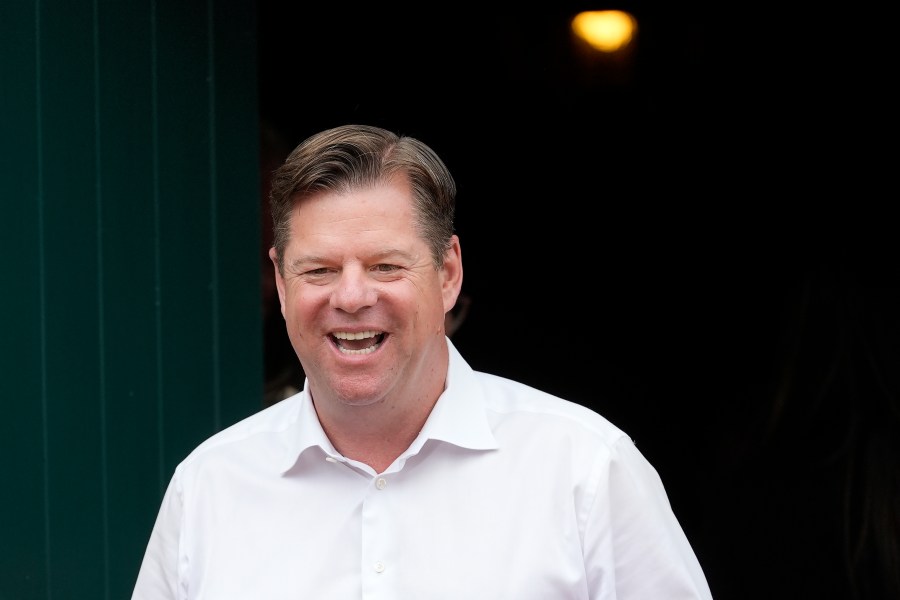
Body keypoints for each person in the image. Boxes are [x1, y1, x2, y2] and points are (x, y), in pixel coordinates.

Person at [132, 124, 714, 599]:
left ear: (449, 274)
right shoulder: (209, 488)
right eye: (319, 270)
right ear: (281, 284)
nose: (353, 297)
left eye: (386, 265)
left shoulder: (583, 470)